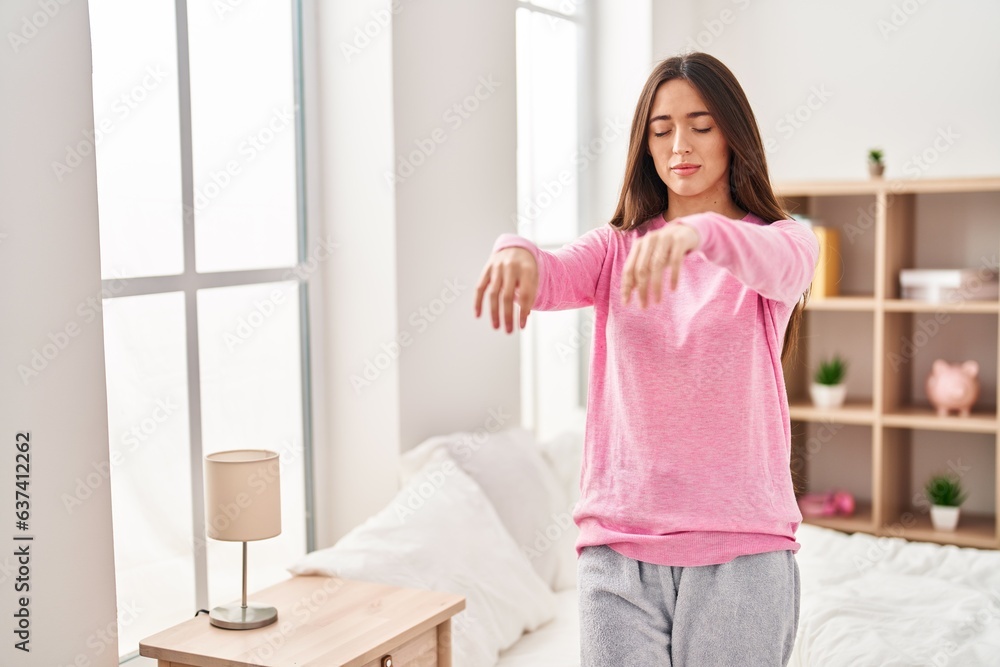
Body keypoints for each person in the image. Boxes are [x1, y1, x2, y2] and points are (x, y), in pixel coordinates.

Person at [473, 51, 818, 666]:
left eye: (701, 125)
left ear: (734, 134)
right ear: (646, 144)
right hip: (619, 551)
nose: (680, 144)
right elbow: (549, 272)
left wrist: (702, 232)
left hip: (741, 552)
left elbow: (782, 264)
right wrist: (514, 249)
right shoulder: (616, 249)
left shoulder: (782, 238)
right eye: (662, 130)